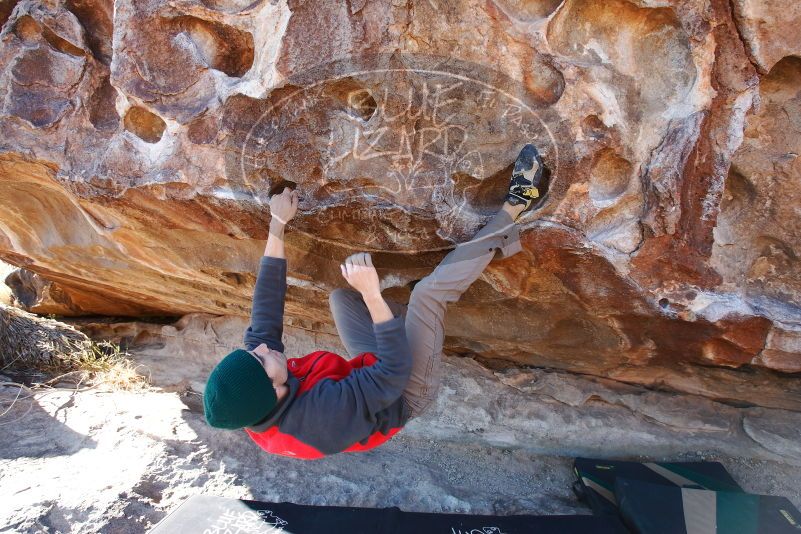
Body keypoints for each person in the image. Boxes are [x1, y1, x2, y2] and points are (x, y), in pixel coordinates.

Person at [203, 144, 550, 459]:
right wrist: (372, 294)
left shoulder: (255, 390)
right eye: (262, 360)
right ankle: (517, 204)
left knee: (341, 298)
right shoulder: (319, 420)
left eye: (253, 352)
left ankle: (419, 322)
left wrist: (277, 224)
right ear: (274, 393)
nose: (263, 349)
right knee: (427, 296)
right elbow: (393, 373)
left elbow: (265, 310)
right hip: (403, 392)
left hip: (369, 372)